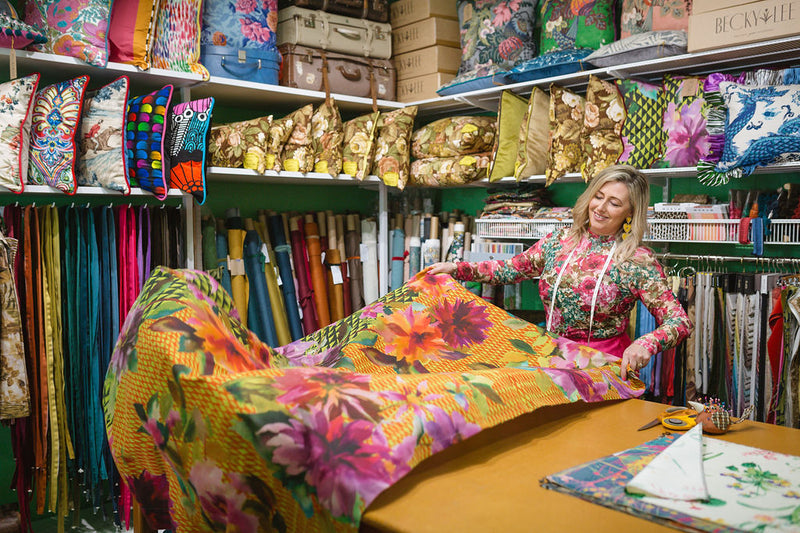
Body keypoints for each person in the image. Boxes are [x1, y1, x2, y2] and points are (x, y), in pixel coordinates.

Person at [428, 164, 693, 380]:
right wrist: (456, 268)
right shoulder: (560, 240)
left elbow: (679, 322)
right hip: (552, 357)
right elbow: (511, 269)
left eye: (613, 203)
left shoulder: (637, 260)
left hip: (604, 368)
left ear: (630, 213)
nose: (600, 208)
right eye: (598, 197)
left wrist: (644, 344)